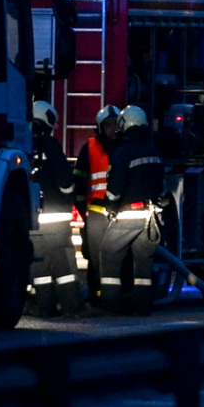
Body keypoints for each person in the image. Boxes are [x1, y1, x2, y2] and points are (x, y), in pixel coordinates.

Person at [100, 106, 164, 315]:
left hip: (127, 215)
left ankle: (110, 304)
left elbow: (115, 188)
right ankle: (142, 305)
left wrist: (109, 207)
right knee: (143, 264)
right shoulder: (153, 150)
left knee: (109, 253)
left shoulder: (124, 151)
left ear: (125, 123)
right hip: (151, 216)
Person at [29, 100, 84, 316]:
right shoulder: (50, 144)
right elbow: (65, 181)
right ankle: (72, 307)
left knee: (39, 268)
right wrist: (70, 193)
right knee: (65, 267)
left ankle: (44, 307)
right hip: (56, 219)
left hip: (33, 220)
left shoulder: (23, 145)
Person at [73, 104, 121, 304]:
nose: (112, 129)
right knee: (94, 256)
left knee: (118, 256)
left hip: (119, 213)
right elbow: (79, 181)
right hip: (95, 214)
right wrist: (83, 213)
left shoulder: (125, 147)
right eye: (108, 125)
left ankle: (116, 296)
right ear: (100, 127)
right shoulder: (89, 147)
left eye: (115, 125)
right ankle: (96, 295)